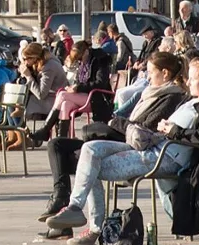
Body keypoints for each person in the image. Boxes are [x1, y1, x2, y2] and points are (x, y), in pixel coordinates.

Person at [46, 55, 199, 245]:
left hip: (166, 157)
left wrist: (172, 130)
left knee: (90, 168)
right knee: (90, 148)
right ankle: (75, 207)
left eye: (193, 79)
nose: (188, 82)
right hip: (152, 146)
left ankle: (94, 229)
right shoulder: (190, 101)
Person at [38, 49, 188, 233]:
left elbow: (144, 130)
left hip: (133, 144)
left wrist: (115, 122)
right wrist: (117, 120)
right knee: (57, 145)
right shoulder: (151, 92)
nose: (148, 77)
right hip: (123, 137)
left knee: (86, 158)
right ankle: (64, 202)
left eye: (150, 72)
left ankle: (86, 222)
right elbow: (125, 117)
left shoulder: (171, 96)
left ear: (165, 73)